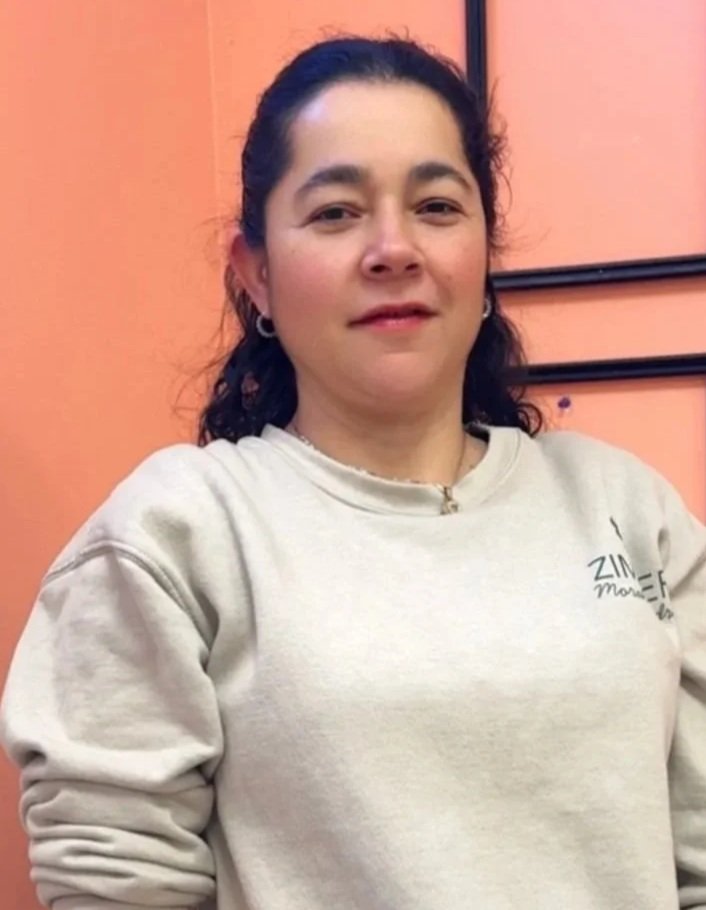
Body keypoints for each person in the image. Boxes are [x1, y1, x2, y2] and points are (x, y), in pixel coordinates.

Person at [1, 32, 705, 910]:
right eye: (336, 212)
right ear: (254, 273)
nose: (393, 248)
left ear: (485, 253)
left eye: (438, 206)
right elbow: (115, 884)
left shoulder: (627, 509)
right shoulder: (174, 537)